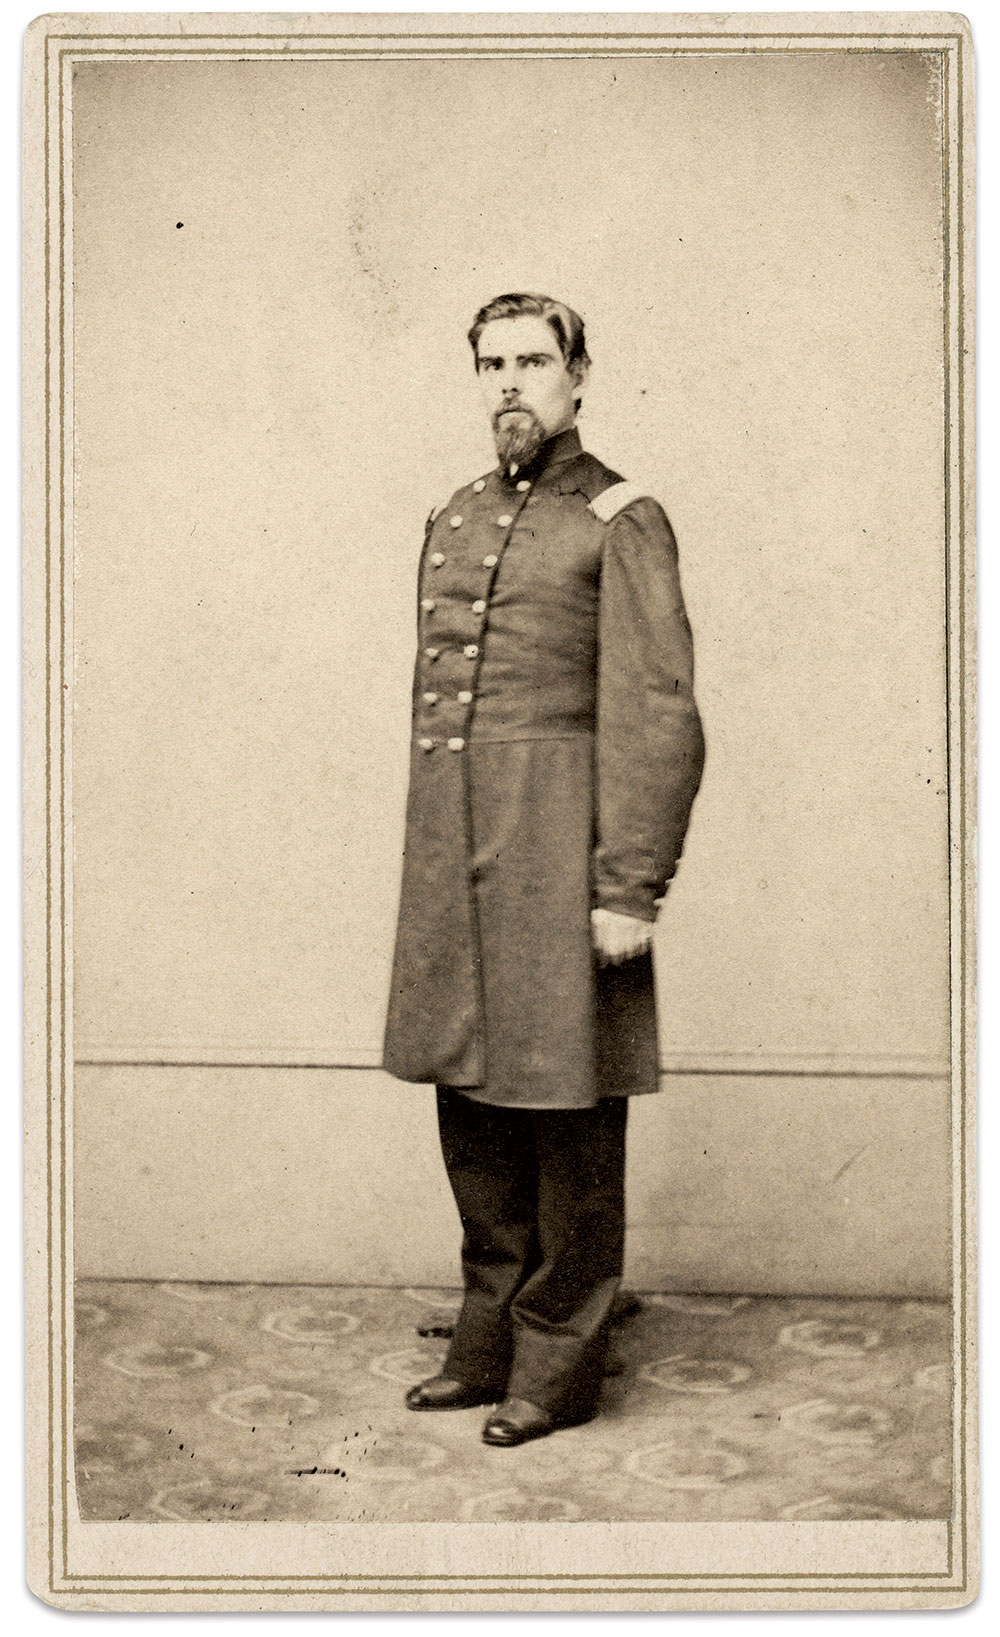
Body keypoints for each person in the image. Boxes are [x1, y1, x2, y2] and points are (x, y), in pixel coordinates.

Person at [383, 292, 705, 1446]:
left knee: (568, 1114)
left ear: (579, 375)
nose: (509, 382)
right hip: (455, 857)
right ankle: (486, 1337)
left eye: (532, 360)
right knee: (468, 1097)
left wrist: (631, 882)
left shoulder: (619, 515)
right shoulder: (456, 511)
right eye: (490, 364)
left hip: (560, 856)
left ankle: (558, 1358)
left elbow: (659, 712)